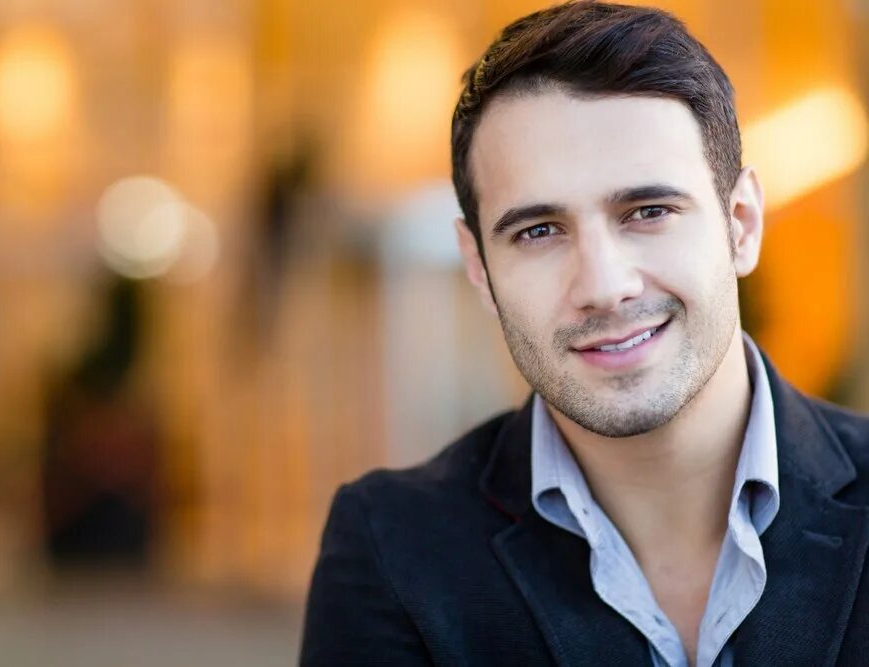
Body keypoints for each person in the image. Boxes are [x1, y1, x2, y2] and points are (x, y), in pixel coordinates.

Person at [300, 2, 869, 665]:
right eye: (539, 231)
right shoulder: (393, 551)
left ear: (741, 224)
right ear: (479, 267)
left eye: (648, 211)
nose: (603, 284)